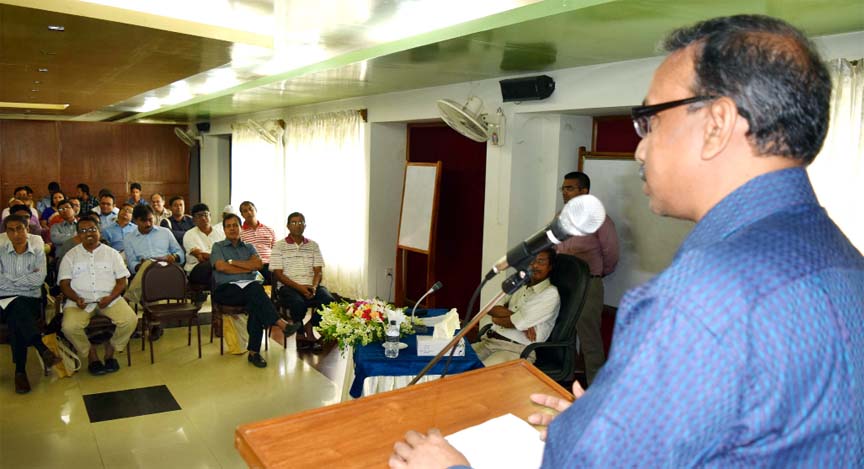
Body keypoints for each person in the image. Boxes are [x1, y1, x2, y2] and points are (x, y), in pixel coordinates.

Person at [389, 15, 864, 467]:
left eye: (650, 120)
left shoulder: (701, 296)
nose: (639, 147)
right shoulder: (843, 261)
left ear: (717, 124)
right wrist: (589, 430)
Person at [555, 171, 618, 385]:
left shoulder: (599, 219)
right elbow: (553, 246)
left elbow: (611, 253)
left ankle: (595, 392)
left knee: (590, 340)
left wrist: (597, 274)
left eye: (570, 188)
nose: (565, 192)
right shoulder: (560, 217)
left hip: (588, 284)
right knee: (564, 336)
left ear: (585, 191)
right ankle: (566, 384)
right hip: (564, 284)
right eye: (563, 188)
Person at [211, 214, 294, 368]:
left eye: (235, 225)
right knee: (256, 291)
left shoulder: (249, 247)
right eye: (228, 226)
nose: (232, 229)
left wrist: (233, 263)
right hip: (226, 290)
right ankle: (280, 323)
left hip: (249, 288)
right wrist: (245, 266)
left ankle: (254, 353)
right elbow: (221, 267)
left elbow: (258, 265)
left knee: (255, 302)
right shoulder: (218, 247)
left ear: (240, 228)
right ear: (224, 230)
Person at [59, 215, 137, 375]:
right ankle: (91, 354)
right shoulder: (70, 256)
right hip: (79, 302)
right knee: (69, 327)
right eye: (83, 230)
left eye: (92, 229)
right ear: (78, 235)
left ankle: (111, 351)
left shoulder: (112, 253)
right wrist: (76, 298)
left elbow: (122, 281)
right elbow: (64, 284)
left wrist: (111, 297)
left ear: (99, 230)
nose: (88, 233)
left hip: (110, 299)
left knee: (130, 320)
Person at [0, 215, 59, 394]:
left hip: (30, 301)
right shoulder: (1, 251)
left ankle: (20, 372)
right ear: (6, 232)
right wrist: (23, 279)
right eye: (11, 229)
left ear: (28, 230)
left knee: (17, 315)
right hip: (3, 301)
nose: (16, 233)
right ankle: (40, 348)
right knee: (16, 313)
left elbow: (38, 279)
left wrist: (10, 280)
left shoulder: (38, 251)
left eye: (20, 228)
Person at [472, 249, 559, 366]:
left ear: (550, 267)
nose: (535, 265)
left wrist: (497, 319)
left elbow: (515, 322)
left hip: (515, 350)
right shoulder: (520, 285)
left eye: (541, 261)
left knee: (477, 377)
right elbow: (491, 308)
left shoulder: (550, 293)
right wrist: (517, 318)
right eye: (531, 261)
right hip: (489, 342)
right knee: (451, 362)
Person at [270, 212, 335, 352]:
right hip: (288, 286)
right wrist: (300, 288)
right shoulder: (279, 246)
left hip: (311, 285)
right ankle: (300, 334)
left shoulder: (313, 245)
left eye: (301, 222)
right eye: (293, 222)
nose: (297, 225)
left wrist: (315, 286)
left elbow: (318, 271)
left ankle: (310, 326)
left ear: (305, 225)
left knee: (329, 301)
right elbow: (278, 275)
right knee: (297, 302)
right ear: (288, 226)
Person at [182, 203, 225, 294]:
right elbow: (201, 257)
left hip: (218, 268)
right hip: (196, 270)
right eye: (199, 216)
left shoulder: (220, 233)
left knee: (217, 274)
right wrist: (217, 257)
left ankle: (219, 304)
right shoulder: (189, 234)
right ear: (193, 219)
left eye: (206, 215)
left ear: (210, 215)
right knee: (212, 264)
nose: (203, 218)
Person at [239, 201, 276, 284]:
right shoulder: (240, 233)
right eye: (245, 211)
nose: (249, 212)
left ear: (255, 210)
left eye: (250, 209)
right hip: (251, 266)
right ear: (242, 215)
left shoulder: (269, 229)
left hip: (269, 264)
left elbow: (276, 250)